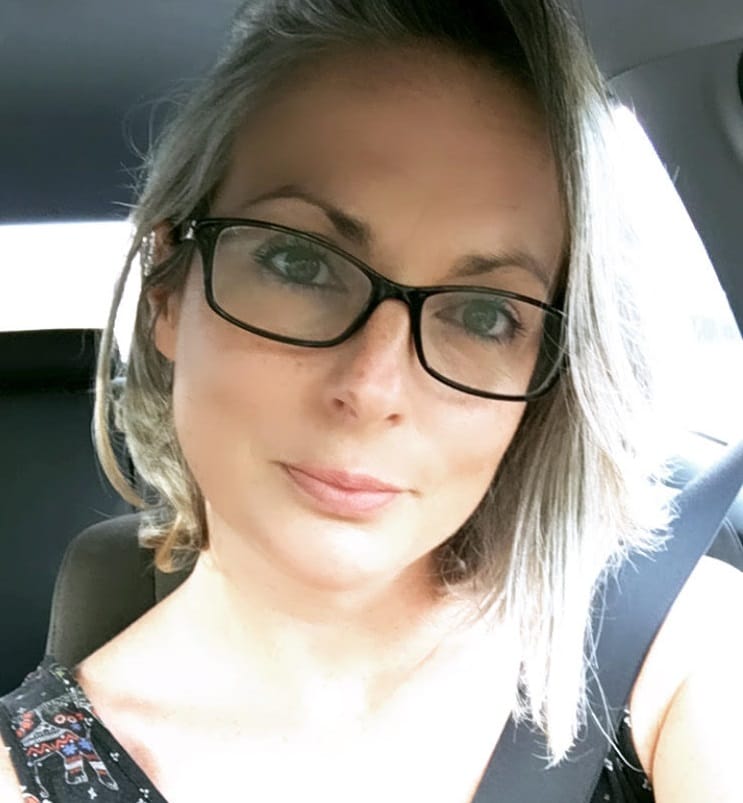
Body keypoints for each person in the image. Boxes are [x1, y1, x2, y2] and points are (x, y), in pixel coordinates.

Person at [1, 1, 741, 801]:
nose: (372, 388)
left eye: (483, 314)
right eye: (300, 263)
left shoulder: (678, 651)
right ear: (167, 291)